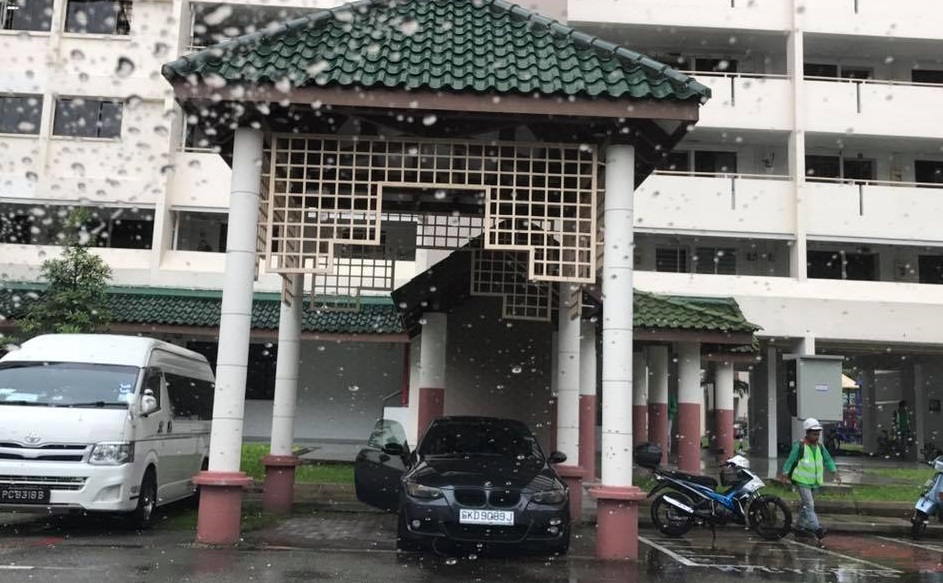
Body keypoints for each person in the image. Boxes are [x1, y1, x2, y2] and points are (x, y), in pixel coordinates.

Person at [780, 417, 841, 540]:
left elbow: (828, 460)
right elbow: (790, 460)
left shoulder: (820, 447)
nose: (817, 437)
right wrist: (785, 473)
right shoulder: (799, 446)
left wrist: (834, 471)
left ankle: (799, 527)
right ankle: (817, 529)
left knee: (805, 505)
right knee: (809, 505)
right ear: (807, 433)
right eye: (814, 434)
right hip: (802, 481)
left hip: (815, 482)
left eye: (818, 434)